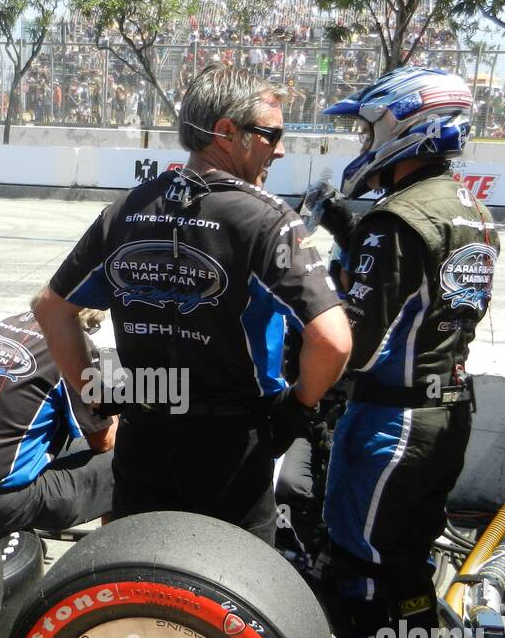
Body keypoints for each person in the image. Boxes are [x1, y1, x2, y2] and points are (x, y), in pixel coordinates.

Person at [34, 64, 351, 545]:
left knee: (139, 586)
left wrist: (95, 394)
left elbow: (50, 309)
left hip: (142, 437)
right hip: (232, 449)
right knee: (231, 600)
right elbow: (333, 340)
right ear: (227, 132)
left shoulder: (126, 210)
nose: (281, 149)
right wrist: (297, 409)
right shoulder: (268, 220)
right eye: (271, 135)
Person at [317, 66, 498, 638]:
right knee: (411, 571)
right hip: (450, 415)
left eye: (369, 127)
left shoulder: (395, 223)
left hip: (390, 426)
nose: (364, 140)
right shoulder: (473, 212)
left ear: (403, 127)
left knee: (357, 577)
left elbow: (352, 345)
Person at [0, 303, 116, 536]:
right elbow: (105, 441)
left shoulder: (6, 324)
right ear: (91, 321)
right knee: (127, 459)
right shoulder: (73, 345)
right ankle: (109, 559)